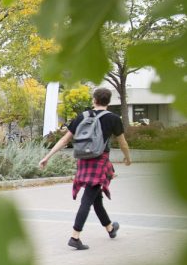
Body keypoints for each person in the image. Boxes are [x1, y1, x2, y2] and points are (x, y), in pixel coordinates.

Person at [40, 87, 132, 250]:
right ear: (108, 102)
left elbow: (64, 140)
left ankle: (110, 228)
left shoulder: (82, 116)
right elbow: (123, 142)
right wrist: (127, 157)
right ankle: (75, 237)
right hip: (100, 161)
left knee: (96, 199)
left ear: (93, 100)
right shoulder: (113, 119)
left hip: (84, 161)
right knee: (88, 199)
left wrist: (47, 157)